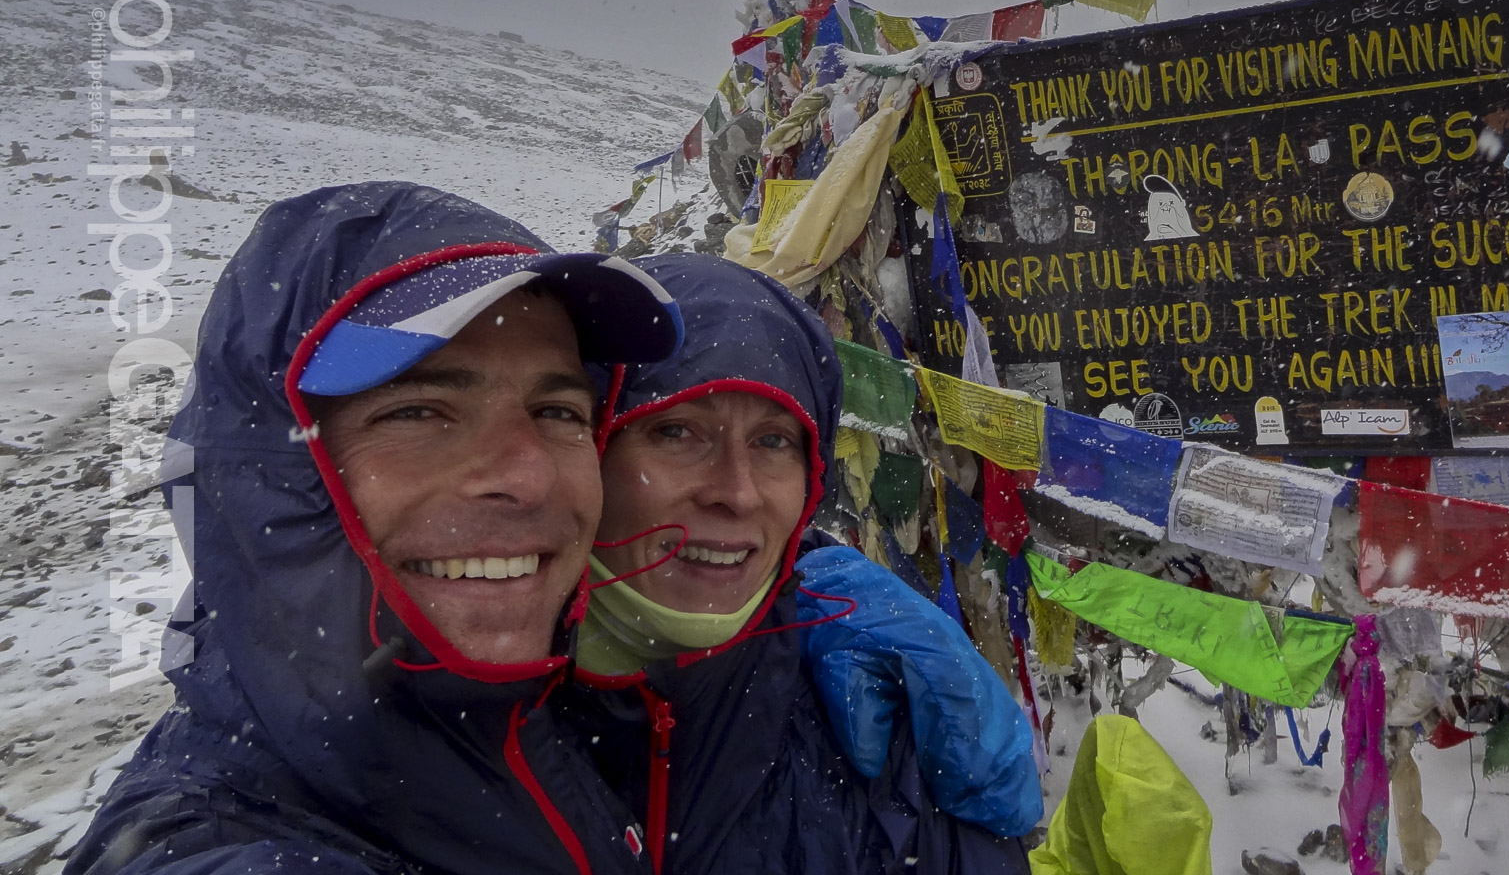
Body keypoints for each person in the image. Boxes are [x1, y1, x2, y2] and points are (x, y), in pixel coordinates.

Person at [69, 182, 1029, 875]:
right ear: (270, 475)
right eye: (418, 411)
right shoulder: (223, 826)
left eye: (556, 411)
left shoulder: (826, 700)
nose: (524, 474)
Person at [565, 252, 1041, 875]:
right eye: (677, 431)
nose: (738, 492)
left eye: (773, 441)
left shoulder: (868, 729)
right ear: (588, 448)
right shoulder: (468, 711)